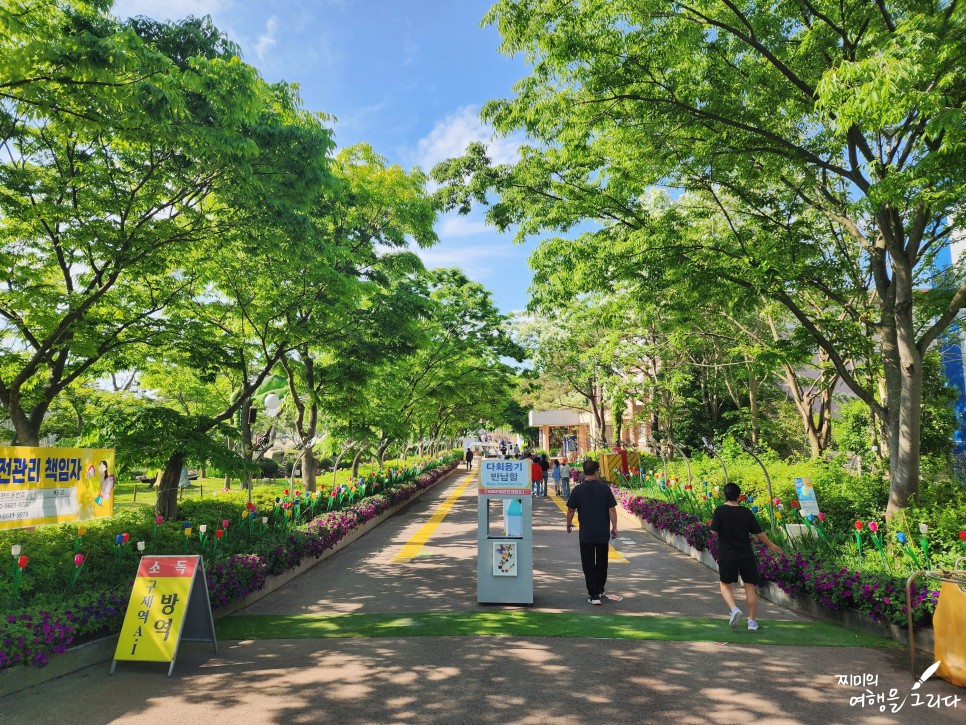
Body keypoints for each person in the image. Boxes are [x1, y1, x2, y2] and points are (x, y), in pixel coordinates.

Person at [709, 482, 782, 631]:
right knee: (749, 586)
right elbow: (759, 533)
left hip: (727, 554)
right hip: (745, 555)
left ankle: (734, 609)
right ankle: (752, 622)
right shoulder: (746, 512)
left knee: (725, 584)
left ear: (725, 495)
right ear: (738, 496)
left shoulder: (720, 510)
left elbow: (714, 532)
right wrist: (771, 545)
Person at [566, 460, 617, 605]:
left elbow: (570, 510)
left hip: (586, 535)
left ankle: (593, 595)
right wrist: (615, 527)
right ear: (596, 471)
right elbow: (612, 509)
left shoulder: (578, 490)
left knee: (588, 564)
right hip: (602, 534)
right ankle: (600, 589)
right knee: (602, 562)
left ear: (584, 472)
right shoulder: (605, 489)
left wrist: (568, 524)